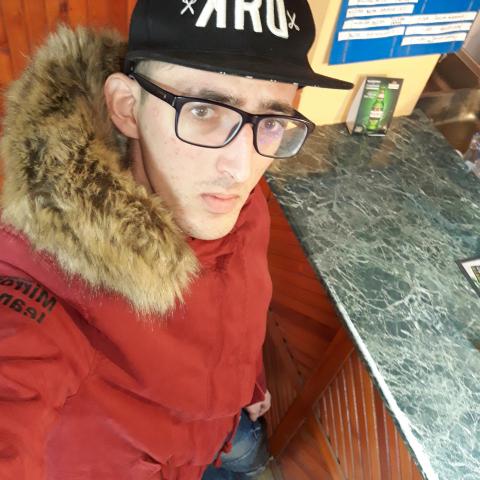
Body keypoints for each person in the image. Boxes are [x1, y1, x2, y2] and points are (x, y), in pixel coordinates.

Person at [0, 0, 352, 478]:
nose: (241, 168)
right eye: (203, 110)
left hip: (228, 426)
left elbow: (241, 296)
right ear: (127, 108)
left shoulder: (221, 187)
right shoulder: (39, 271)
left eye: (271, 120)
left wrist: (250, 380)